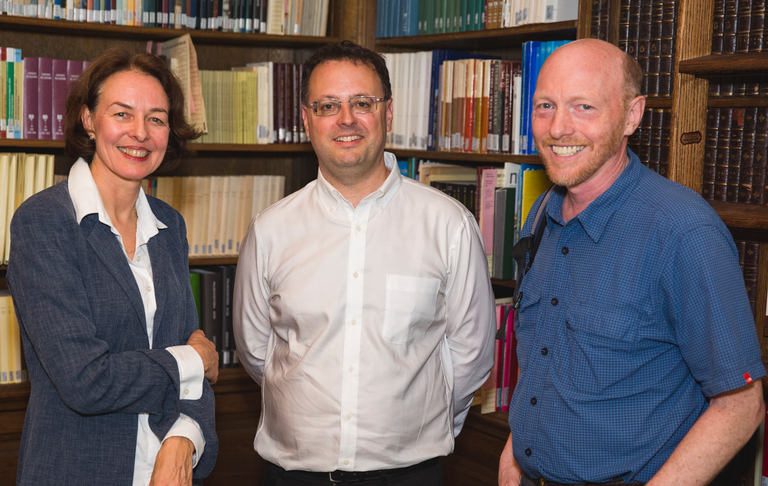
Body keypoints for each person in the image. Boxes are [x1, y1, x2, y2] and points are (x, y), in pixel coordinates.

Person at [498, 38, 765, 486]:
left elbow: (741, 405)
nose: (558, 127)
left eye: (583, 106)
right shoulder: (542, 210)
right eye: (545, 105)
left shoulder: (682, 231)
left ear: (632, 115)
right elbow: (542, 346)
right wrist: (513, 459)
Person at [233, 40, 496, 486]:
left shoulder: (448, 224)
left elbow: (471, 355)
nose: (346, 119)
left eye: (362, 103)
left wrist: (418, 433)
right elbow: (257, 352)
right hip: (295, 474)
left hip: (409, 474)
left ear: (388, 113)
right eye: (327, 106)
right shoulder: (270, 229)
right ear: (306, 120)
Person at [7, 47, 219, 486]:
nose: (140, 133)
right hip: (77, 470)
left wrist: (185, 437)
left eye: (157, 118)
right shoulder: (44, 222)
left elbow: (196, 372)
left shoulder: (169, 226)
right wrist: (190, 360)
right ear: (88, 119)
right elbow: (86, 381)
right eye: (122, 114)